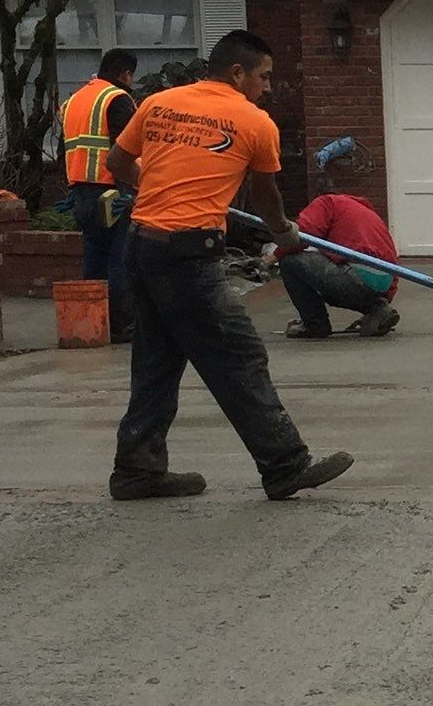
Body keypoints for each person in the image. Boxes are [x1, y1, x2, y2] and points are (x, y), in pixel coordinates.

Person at [103, 28, 354, 504]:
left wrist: (153, 188)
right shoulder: (254, 122)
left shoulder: (158, 103)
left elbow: (117, 161)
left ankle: (137, 469)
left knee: (157, 360)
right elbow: (265, 195)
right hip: (188, 255)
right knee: (239, 355)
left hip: (141, 245)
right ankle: (284, 465)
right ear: (238, 73)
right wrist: (285, 231)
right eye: (264, 76)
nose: (269, 87)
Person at [60, 46, 138, 341]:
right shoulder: (116, 99)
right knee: (120, 258)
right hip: (113, 193)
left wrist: (74, 188)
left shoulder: (74, 101)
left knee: (94, 258)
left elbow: (68, 149)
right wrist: (134, 189)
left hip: (81, 193)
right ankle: (122, 326)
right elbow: (125, 149)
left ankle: (95, 323)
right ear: (125, 74)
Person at [281, 185, 401, 340]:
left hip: (357, 278)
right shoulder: (366, 213)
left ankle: (315, 324)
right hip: (382, 283)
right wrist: (385, 298)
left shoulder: (326, 202)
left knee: (290, 262)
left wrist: (271, 258)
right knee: (331, 268)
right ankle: (377, 309)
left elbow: (300, 237)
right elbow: (391, 263)